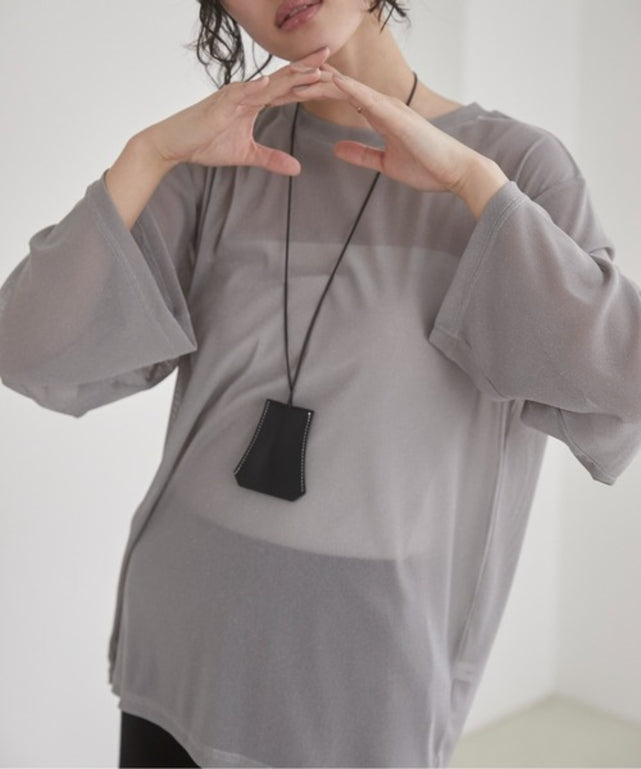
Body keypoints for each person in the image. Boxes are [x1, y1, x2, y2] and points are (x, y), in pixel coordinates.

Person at [1, 0, 640, 766]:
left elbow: (620, 380)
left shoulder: (516, 166)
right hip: (181, 645)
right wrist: (147, 155)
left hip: (365, 676)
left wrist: (471, 183)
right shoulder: (219, 160)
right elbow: (26, 345)